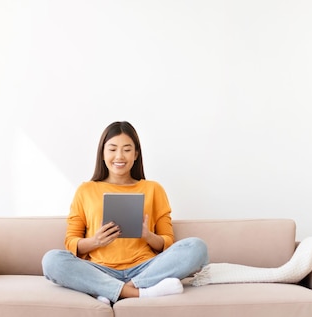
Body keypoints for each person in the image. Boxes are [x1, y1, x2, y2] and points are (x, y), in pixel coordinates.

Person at [41, 121, 209, 304]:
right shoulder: (85, 190)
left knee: (197, 247)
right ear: (103, 153)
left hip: (145, 268)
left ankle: (109, 290)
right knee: (51, 260)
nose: (119, 156)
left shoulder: (153, 189)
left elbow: (168, 241)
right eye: (112, 149)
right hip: (100, 269)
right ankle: (139, 293)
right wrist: (95, 241)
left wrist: (148, 236)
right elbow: (70, 242)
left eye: (127, 149)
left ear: (136, 154)